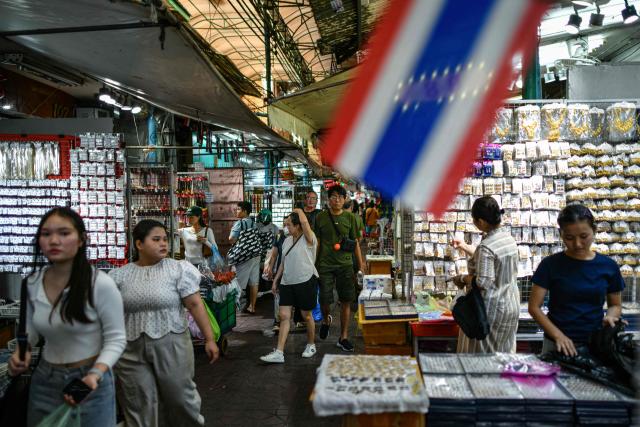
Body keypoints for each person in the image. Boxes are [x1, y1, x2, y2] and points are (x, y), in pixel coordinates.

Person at [8, 207, 126, 427]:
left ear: (81, 240)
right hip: (45, 381)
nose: (54, 240)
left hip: (91, 381)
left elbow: (116, 339)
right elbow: (29, 331)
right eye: (46, 234)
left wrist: (93, 376)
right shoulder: (32, 283)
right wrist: (20, 352)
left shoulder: (100, 283)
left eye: (64, 233)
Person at [109, 220, 219, 427]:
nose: (163, 244)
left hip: (172, 343)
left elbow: (195, 304)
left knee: (180, 397)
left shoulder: (178, 270)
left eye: (165, 239)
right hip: (131, 349)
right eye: (156, 239)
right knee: (138, 402)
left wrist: (210, 338)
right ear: (139, 244)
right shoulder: (119, 276)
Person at [528, 204, 624, 357]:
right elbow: (534, 307)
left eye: (584, 237)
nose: (577, 244)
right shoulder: (550, 265)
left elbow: (616, 305)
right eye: (569, 238)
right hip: (557, 344)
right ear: (561, 234)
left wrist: (611, 316)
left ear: (594, 231)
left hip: (595, 343)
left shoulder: (609, 267)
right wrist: (558, 335)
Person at [452, 196, 519, 353]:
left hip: (491, 310)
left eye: (474, 220)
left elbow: (483, 282)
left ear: (481, 222)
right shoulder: (508, 239)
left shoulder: (487, 247)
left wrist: (462, 278)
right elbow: (489, 261)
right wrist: (464, 246)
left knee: (484, 358)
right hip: (511, 304)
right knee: (504, 355)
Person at [261, 209, 319, 363]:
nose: (285, 228)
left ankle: (311, 345)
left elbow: (305, 223)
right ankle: (279, 352)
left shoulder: (309, 238)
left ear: (298, 226)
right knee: (284, 316)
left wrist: (299, 210)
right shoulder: (286, 240)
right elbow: (283, 262)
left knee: (307, 316)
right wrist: (276, 280)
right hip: (287, 282)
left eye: (288, 225)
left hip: (305, 281)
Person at [314, 185, 364, 352]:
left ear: (345, 200)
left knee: (346, 300)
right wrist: (313, 264)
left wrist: (361, 264)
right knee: (325, 300)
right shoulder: (321, 217)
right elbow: (317, 243)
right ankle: (327, 320)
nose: (337, 200)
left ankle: (343, 337)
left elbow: (355, 242)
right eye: (333, 197)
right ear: (329, 199)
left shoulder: (350, 218)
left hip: (345, 265)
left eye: (340, 197)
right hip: (325, 265)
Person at [230, 201, 261, 314]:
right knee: (254, 282)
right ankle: (252, 307)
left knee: (238, 283)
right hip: (255, 254)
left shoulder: (239, 223)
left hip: (244, 256)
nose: (236, 211)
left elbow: (231, 239)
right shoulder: (254, 223)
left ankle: (233, 309)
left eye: (238, 209)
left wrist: (239, 243)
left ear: (245, 211)